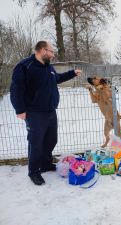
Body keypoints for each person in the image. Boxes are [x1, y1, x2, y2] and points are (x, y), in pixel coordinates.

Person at [10, 41, 82, 185]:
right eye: (51, 51)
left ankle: (45, 164)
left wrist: (72, 73)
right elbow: (16, 90)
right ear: (43, 50)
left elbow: (57, 79)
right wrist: (20, 110)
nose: (53, 55)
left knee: (51, 139)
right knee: (36, 143)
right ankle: (34, 172)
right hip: (34, 112)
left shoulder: (48, 67)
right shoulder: (25, 66)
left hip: (50, 110)